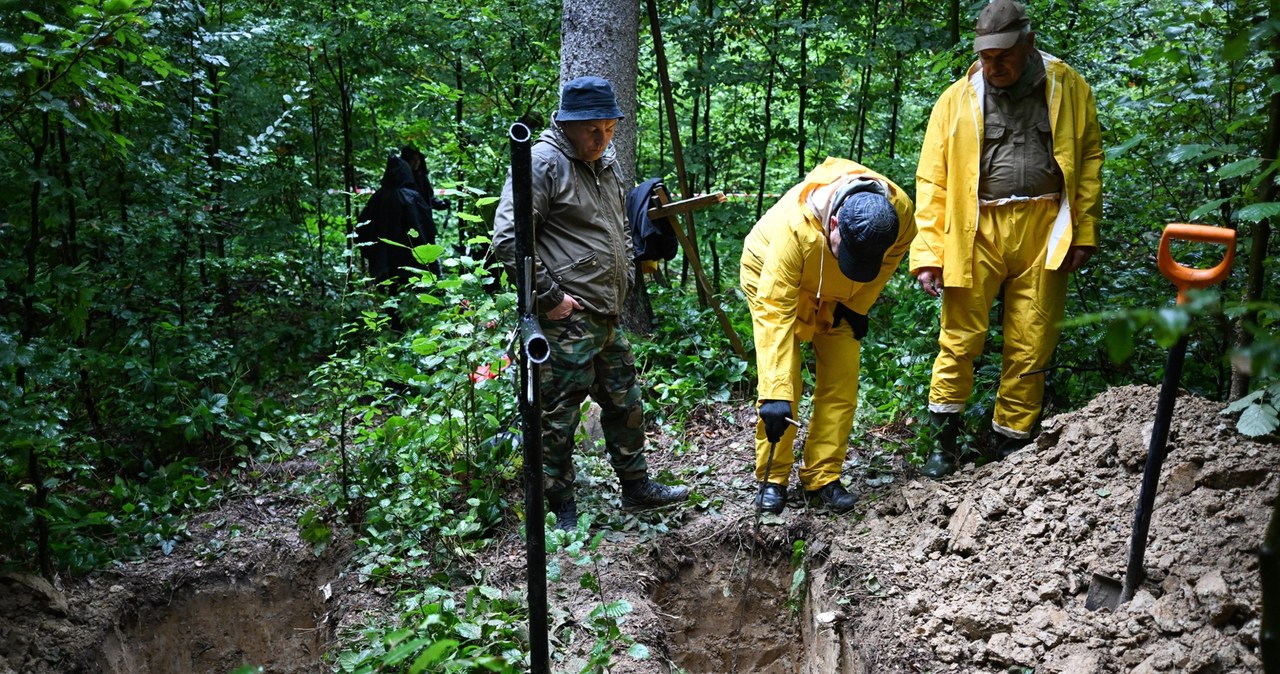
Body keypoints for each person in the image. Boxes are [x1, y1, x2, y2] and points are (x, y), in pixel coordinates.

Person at [909, 0, 1103, 478]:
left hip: (1046, 227)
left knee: (1032, 340)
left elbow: (1090, 159)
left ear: (1028, 43)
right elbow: (931, 182)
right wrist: (930, 252)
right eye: (986, 57)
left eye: (1002, 56)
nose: (992, 66)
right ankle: (943, 443)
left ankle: (1011, 447)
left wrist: (1084, 229)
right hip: (975, 230)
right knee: (959, 337)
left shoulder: (1068, 87)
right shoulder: (956, 99)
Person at [492, 76, 690, 530]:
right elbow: (509, 237)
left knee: (625, 402)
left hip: (606, 314)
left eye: (609, 128)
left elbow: (618, 223)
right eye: (593, 130)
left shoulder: (606, 162)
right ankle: (561, 508)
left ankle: (636, 486)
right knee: (557, 417)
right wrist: (549, 296)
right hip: (567, 319)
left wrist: (623, 270)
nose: (602, 138)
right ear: (567, 123)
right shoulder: (543, 162)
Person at [741, 158, 916, 514]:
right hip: (771, 276)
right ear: (834, 223)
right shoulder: (797, 228)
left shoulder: (900, 217)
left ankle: (822, 476)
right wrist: (775, 394)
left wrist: (858, 306)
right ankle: (772, 478)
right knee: (784, 382)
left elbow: (887, 263)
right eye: (848, 251)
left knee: (841, 380)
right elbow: (774, 307)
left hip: (842, 295)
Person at [356, 155, 437, 295]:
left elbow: (362, 228)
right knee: (405, 291)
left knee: (390, 293)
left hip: (383, 257)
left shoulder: (377, 198)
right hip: (407, 257)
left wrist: (370, 251)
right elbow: (425, 227)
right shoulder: (412, 197)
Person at [398, 145, 450, 275]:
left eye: (418, 160)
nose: (416, 163)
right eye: (412, 160)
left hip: (424, 222)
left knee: (429, 252)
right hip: (407, 225)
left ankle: (435, 280)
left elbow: (429, 198)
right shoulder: (400, 180)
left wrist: (441, 204)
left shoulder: (421, 177)